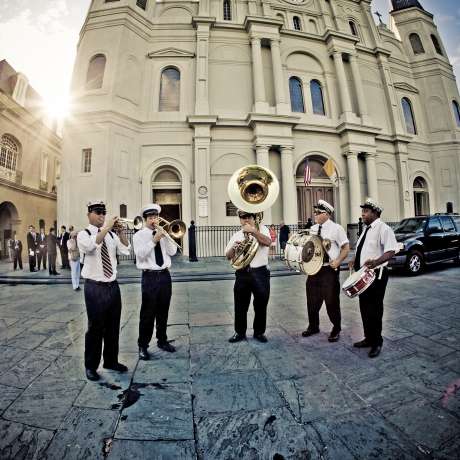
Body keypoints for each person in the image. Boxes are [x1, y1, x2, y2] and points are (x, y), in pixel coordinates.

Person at [77, 201, 131, 381]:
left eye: (104, 213)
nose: (101, 215)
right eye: (98, 212)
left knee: (113, 326)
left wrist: (121, 232)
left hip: (112, 286)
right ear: (89, 214)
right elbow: (91, 246)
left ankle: (111, 361)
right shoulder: (83, 235)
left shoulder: (110, 236)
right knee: (95, 328)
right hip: (95, 287)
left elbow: (125, 249)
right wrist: (106, 228)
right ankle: (91, 366)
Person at [348, 198, 398, 358]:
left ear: (375, 213)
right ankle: (368, 338)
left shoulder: (383, 229)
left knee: (375, 310)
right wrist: (354, 260)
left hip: (377, 276)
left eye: (366, 211)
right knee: (365, 308)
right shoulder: (366, 229)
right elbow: (363, 250)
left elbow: (391, 251)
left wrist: (376, 262)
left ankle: (377, 342)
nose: (362, 214)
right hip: (364, 276)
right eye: (362, 211)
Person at [133, 204, 177, 360]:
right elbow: (140, 255)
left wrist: (167, 237)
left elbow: (172, 252)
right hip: (150, 277)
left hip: (165, 275)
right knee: (147, 313)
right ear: (145, 220)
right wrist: (153, 240)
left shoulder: (163, 232)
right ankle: (143, 346)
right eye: (151, 218)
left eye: (156, 217)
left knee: (163, 311)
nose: (154, 220)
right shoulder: (139, 236)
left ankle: (162, 340)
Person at [302, 200, 349, 342]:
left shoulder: (337, 228)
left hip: (329, 269)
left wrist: (338, 261)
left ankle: (336, 328)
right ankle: (313, 326)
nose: (315, 214)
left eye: (318, 212)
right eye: (315, 212)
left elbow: (346, 248)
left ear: (327, 214)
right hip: (314, 270)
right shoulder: (313, 228)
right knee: (311, 299)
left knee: (331, 300)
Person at [225, 210, 272, 343]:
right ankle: (239, 333)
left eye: (248, 217)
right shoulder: (237, 235)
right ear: (239, 219)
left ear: (254, 217)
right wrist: (234, 248)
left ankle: (259, 333)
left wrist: (253, 232)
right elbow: (228, 255)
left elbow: (268, 242)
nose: (245, 220)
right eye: (242, 217)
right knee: (240, 305)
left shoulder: (263, 229)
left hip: (260, 273)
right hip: (242, 273)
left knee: (261, 304)